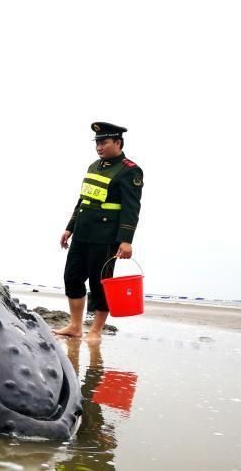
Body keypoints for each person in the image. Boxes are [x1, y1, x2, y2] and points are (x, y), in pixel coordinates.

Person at [55, 122, 144, 343]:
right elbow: (83, 201)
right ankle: (76, 326)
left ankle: (95, 330)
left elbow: (132, 208)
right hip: (82, 233)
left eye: (103, 142)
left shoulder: (130, 170)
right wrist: (70, 227)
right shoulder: (94, 166)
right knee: (72, 277)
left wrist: (126, 240)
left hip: (105, 237)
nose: (99, 147)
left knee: (99, 283)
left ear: (118, 142)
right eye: (97, 142)